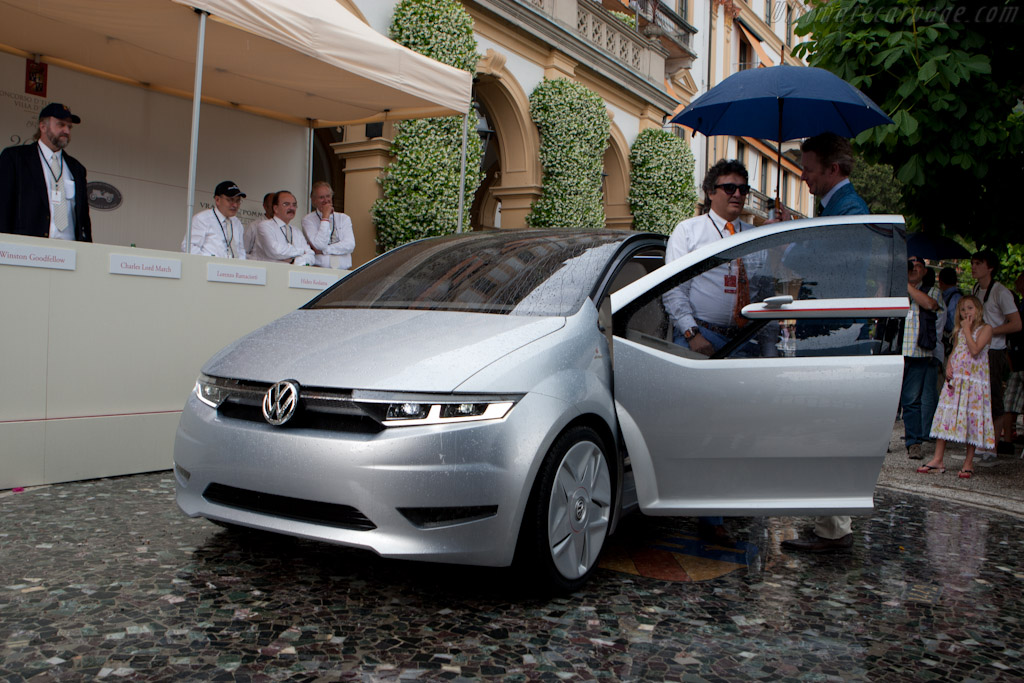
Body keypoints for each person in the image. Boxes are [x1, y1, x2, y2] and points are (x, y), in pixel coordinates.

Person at [779, 133, 870, 554]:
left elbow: (804, 261)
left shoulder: (847, 210)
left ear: (833, 169)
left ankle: (834, 530)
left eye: (810, 169)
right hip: (835, 331)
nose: (804, 176)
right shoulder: (837, 208)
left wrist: (788, 237)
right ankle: (831, 525)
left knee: (827, 428)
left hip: (835, 334)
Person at [663, 159, 757, 544]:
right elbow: (673, 286)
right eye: (729, 187)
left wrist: (786, 234)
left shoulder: (754, 236)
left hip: (743, 341)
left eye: (743, 189)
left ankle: (721, 504)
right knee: (698, 429)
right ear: (710, 191)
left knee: (736, 431)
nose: (737, 194)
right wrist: (691, 332)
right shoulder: (690, 231)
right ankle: (704, 513)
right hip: (701, 338)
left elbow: (767, 286)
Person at [916, 295, 995, 479]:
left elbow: (975, 350)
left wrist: (967, 329)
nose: (966, 312)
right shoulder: (960, 331)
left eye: (970, 308)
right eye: (962, 310)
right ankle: (938, 458)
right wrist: (949, 365)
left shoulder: (986, 329)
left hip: (973, 383)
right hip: (957, 381)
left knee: (971, 418)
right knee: (946, 415)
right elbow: (955, 351)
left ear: (978, 309)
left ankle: (968, 462)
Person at [0, 103, 91, 242]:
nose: (66, 130)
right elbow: (3, 207)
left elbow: (83, 218)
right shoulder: (15, 158)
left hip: (70, 251)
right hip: (27, 250)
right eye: (61, 125)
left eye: (69, 126)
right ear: (43, 126)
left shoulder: (77, 168)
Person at [969, 249, 1022, 456]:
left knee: (994, 398)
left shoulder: (1001, 292)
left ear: (990, 267)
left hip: (994, 351)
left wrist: (989, 332)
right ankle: (981, 442)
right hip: (977, 350)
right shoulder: (976, 288)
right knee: (978, 397)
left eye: (978, 263)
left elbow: (1017, 324)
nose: (973, 267)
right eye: (972, 263)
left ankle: (992, 445)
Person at [901, 256, 944, 460]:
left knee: (912, 400)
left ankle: (914, 442)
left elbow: (930, 304)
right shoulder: (896, 287)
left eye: (918, 266)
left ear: (925, 271)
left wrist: (907, 286)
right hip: (894, 351)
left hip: (918, 352)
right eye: (910, 266)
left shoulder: (932, 290)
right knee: (889, 399)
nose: (914, 269)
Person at [181, 181, 248, 258]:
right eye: (230, 200)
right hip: (208, 267)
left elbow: (241, 250)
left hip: (234, 268)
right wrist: (211, 260)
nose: (235, 205)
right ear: (217, 200)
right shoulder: (202, 219)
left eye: (238, 200)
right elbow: (188, 246)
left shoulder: (237, 223)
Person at [250, 191, 314, 266]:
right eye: (286, 204)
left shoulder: (296, 231)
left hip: (293, 274)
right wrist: (301, 252)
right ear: (276, 208)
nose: (291, 208)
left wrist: (293, 262)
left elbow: (311, 256)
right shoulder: (265, 226)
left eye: (294, 205)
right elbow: (275, 251)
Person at [301, 181, 355, 269]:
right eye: (321, 197)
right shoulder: (308, 220)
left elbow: (350, 245)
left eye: (328, 196)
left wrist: (324, 250)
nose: (326, 200)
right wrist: (325, 217)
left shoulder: (344, 218)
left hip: (343, 271)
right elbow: (319, 244)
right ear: (314, 201)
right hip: (320, 271)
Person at [1002, 273, 1024, 445]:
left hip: (1019, 355)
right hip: (1015, 357)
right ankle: (1008, 440)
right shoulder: (1020, 304)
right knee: (1009, 400)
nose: (1017, 281)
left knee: (1011, 399)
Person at [938, 267, 963, 356]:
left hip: (951, 341)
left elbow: (953, 324)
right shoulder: (958, 296)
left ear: (941, 282)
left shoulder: (952, 298)